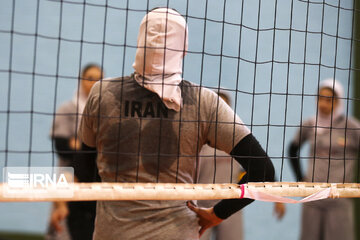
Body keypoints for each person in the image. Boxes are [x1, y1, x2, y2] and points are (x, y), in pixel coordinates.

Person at [78, 8, 275, 240]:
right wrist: (217, 214)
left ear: (141, 40)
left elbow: (84, 159)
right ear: (184, 47)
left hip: (112, 232)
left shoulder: (103, 93)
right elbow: (264, 171)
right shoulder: (203, 102)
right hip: (178, 232)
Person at [288, 79, 360, 240]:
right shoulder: (310, 124)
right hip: (313, 197)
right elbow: (292, 148)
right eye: (320, 98)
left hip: (340, 199)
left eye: (329, 99)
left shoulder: (352, 127)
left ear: (338, 101)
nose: (323, 104)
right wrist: (301, 179)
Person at [47, 64, 103, 240]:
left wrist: (79, 143)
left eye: (98, 79)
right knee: (62, 229)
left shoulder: (105, 110)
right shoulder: (67, 109)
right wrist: (89, 147)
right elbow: (62, 147)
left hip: (95, 180)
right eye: (90, 78)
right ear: (81, 80)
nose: (94, 83)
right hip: (68, 177)